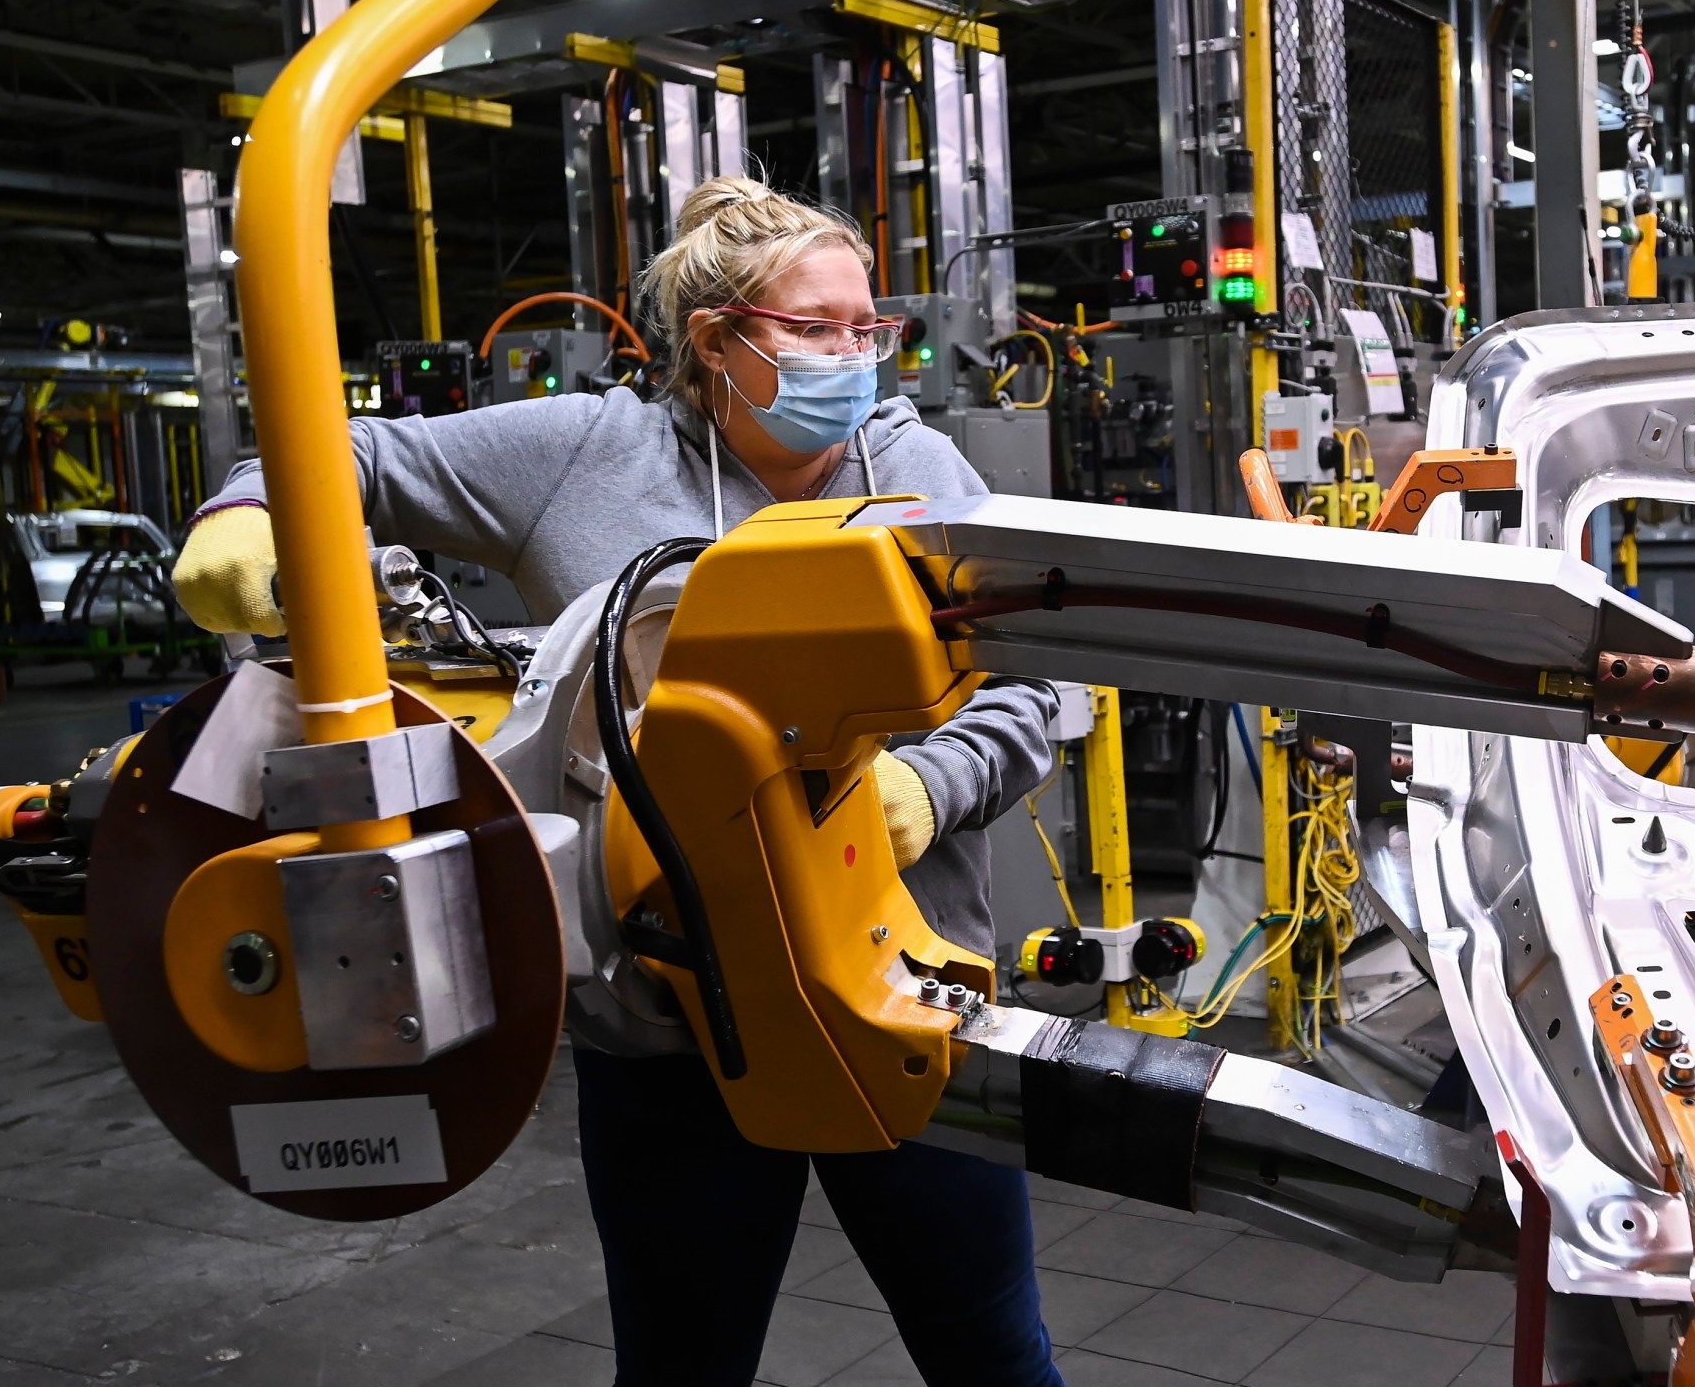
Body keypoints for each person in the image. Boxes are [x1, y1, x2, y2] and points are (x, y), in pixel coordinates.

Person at [172, 176, 1065, 1387]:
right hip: (662, 1028)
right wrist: (245, 509)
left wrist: (924, 786)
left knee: (992, 1355)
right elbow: (343, 449)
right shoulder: (586, 453)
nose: (856, 357)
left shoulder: (916, 470)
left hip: (899, 994)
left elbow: (1030, 691)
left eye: (871, 328)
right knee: (680, 1366)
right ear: (719, 340)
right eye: (817, 330)